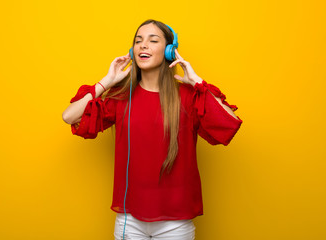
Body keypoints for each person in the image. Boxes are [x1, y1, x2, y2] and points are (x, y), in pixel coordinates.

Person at [62, 19, 243, 240]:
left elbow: (230, 122)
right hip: (130, 222)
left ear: (169, 51)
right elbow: (69, 116)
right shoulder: (122, 98)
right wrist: (107, 81)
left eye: (152, 40)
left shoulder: (187, 97)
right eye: (138, 41)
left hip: (175, 225)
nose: (143, 45)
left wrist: (196, 81)